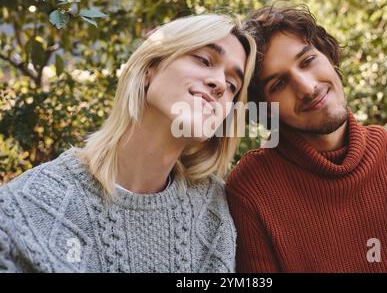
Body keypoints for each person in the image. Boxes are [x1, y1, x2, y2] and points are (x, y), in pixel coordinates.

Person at [0, 14, 256, 272]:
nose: (220, 84)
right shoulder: (24, 207)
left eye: (233, 85)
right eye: (204, 60)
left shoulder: (215, 212)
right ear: (149, 69)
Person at [225, 5, 387, 272]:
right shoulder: (250, 188)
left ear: (328, 56)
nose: (308, 88)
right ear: (264, 106)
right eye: (279, 84)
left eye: (308, 61)